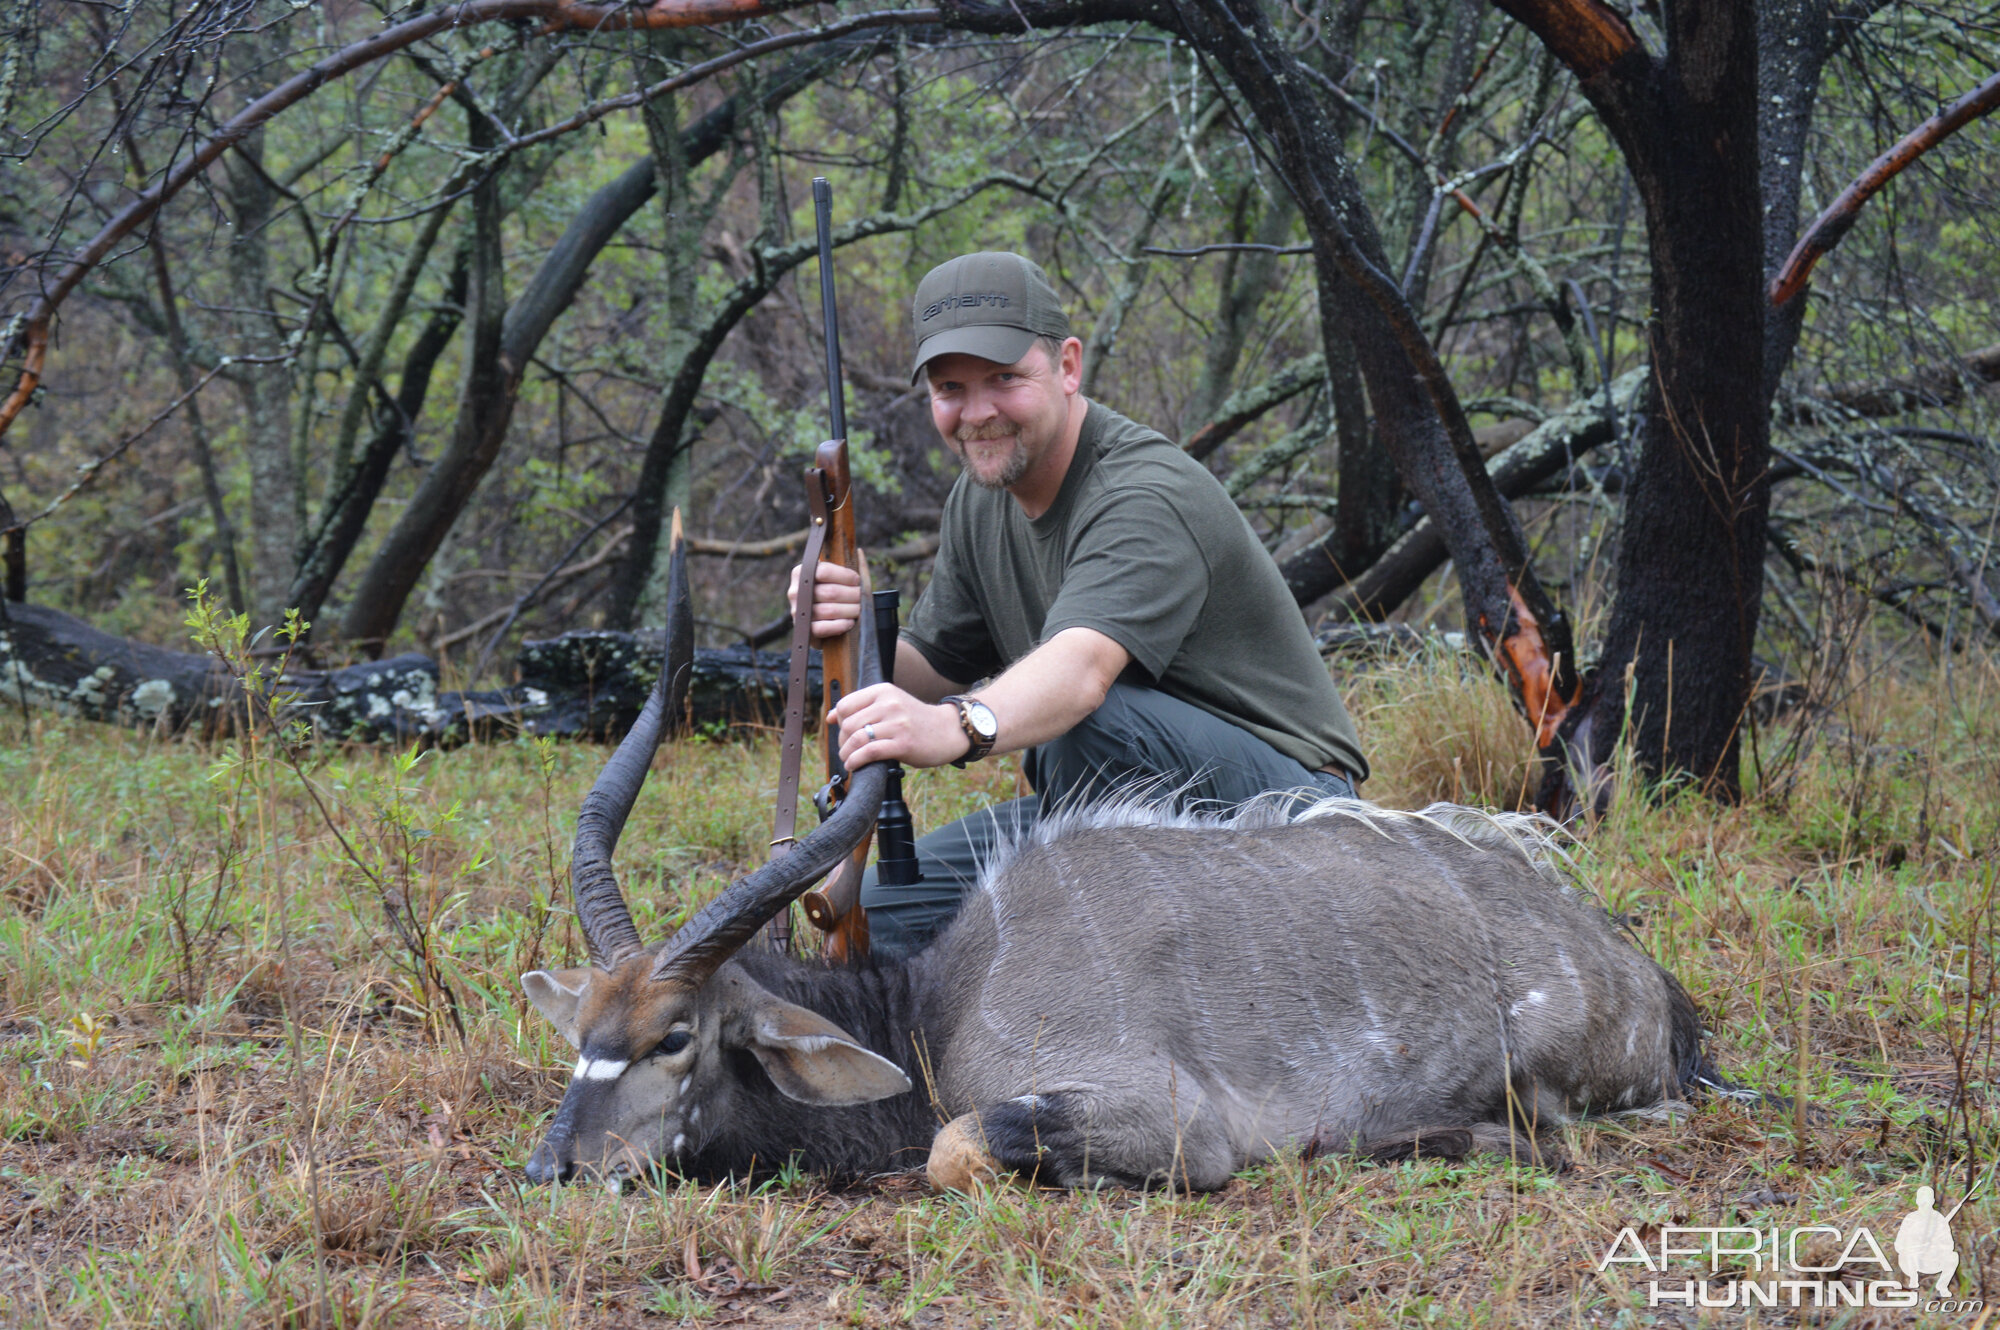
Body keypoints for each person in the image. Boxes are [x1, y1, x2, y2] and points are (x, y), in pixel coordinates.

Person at [791, 251, 1368, 954]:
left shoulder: (1144, 492)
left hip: (1299, 817)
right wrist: (843, 634)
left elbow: (1081, 673)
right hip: (1105, 803)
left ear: (1068, 366)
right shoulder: (979, 500)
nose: (977, 414)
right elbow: (928, 668)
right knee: (881, 921)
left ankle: (1094, 976)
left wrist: (954, 726)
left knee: (1087, 727)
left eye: (1005, 379)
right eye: (950, 389)